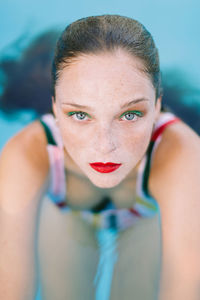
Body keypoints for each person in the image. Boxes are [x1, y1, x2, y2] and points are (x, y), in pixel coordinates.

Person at [0, 14, 200, 300]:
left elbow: (183, 290)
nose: (105, 146)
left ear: (157, 107)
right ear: (55, 108)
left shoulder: (180, 153)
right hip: (66, 216)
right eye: (80, 114)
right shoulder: (28, 154)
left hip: (143, 221)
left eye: (130, 114)